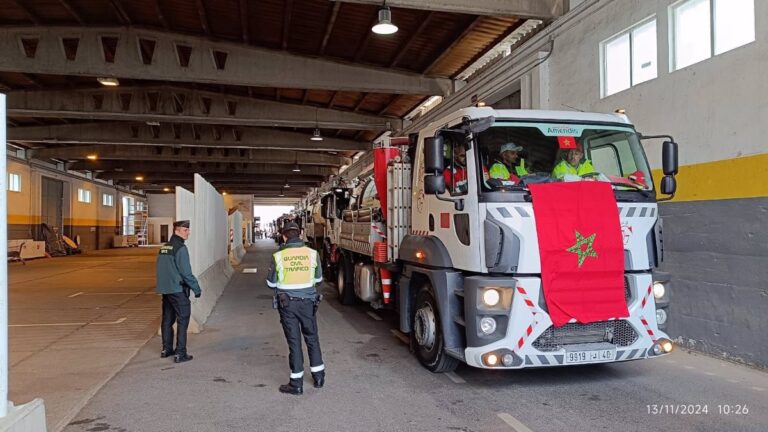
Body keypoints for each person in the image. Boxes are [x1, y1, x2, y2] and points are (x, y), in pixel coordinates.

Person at [266, 222, 325, 395]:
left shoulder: (279, 255)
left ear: (284, 236)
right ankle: (319, 377)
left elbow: (271, 283)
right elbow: (319, 279)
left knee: (294, 342)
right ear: (300, 235)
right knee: (312, 338)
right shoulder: (312, 254)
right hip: (308, 303)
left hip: (287, 304)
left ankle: (296, 383)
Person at [155, 220, 201, 363]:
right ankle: (180, 353)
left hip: (166, 291)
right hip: (178, 290)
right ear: (177, 230)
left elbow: (161, 270)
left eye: (188, 230)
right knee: (183, 320)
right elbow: (186, 273)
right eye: (185, 230)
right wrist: (196, 288)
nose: (188, 233)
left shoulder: (164, 248)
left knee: (167, 319)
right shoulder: (180, 248)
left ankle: (166, 349)